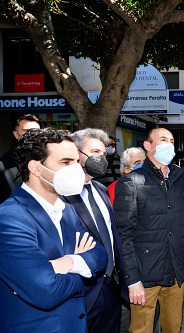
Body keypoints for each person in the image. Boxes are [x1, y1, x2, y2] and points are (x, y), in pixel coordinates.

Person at [0, 128, 107, 333]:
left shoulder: (66, 210)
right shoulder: (10, 218)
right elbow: (45, 291)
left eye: (77, 161)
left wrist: (66, 262)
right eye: (66, 162)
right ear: (36, 168)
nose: (77, 169)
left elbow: (100, 255)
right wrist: (81, 267)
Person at [114, 127, 184, 333]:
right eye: (163, 139)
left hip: (176, 272)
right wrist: (132, 281)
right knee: (141, 329)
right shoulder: (131, 181)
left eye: (172, 140)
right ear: (148, 146)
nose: (169, 144)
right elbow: (124, 235)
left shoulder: (180, 178)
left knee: (173, 327)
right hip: (144, 275)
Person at [62, 128, 128, 333]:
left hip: (111, 288)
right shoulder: (61, 195)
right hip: (83, 291)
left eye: (103, 153)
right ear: (76, 153)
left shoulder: (100, 189)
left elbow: (112, 234)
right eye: (95, 152)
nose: (102, 158)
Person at [0, 114, 41, 203]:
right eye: (26, 131)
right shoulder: (3, 165)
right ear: (16, 134)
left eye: (36, 132)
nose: (32, 136)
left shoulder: (47, 161)